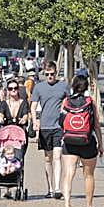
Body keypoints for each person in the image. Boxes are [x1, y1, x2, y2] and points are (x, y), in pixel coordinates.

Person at [59, 74, 104, 207]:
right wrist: (100, 144)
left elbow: (61, 122)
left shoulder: (66, 102)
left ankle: (67, 203)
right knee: (89, 175)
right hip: (87, 142)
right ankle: (89, 206)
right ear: (86, 87)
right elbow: (96, 125)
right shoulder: (90, 102)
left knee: (68, 173)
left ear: (73, 86)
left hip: (69, 141)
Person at [31, 61, 69, 199]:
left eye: (52, 74)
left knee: (58, 156)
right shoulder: (38, 87)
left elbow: (69, 102)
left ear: (56, 73)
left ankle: (58, 188)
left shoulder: (63, 86)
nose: (50, 77)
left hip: (58, 127)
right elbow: (33, 106)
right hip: (44, 127)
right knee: (48, 158)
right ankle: (50, 188)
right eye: (47, 74)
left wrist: (65, 113)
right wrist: (35, 121)